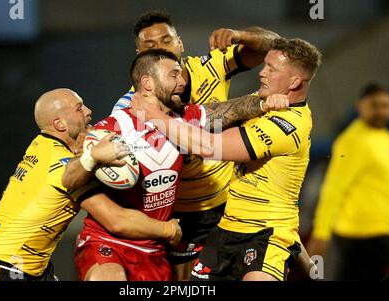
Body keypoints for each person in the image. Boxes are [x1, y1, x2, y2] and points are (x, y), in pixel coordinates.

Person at [73, 48, 289, 281]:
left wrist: (264, 102)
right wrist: (89, 157)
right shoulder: (114, 127)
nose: (183, 82)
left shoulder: (185, 119)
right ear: (147, 83)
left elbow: (230, 110)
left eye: (182, 75)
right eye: (174, 75)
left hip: (156, 248)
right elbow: (69, 177)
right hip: (108, 242)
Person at [131, 37, 322, 281]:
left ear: (294, 81)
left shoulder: (287, 125)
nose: (261, 73)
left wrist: (154, 115)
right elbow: (225, 113)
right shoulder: (270, 100)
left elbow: (209, 146)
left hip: (266, 234)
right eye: (264, 65)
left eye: (272, 69)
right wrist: (261, 103)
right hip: (227, 229)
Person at [113, 10, 280, 279]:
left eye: (166, 41)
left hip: (229, 202)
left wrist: (240, 35)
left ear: (180, 43)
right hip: (176, 214)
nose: (160, 50)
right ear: (138, 55)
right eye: (149, 46)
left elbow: (274, 47)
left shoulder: (211, 67)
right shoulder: (132, 107)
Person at [0, 88, 182, 281]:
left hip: (31, 269)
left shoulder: (42, 145)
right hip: (0, 270)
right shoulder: (65, 167)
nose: (88, 111)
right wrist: (168, 228)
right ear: (59, 124)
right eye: (79, 108)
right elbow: (117, 220)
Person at [307, 84, 389, 280]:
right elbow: (334, 188)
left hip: (381, 228)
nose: (380, 111)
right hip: (359, 231)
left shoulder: (386, 138)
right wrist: (321, 233)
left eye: (386, 106)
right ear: (360, 106)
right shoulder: (352, 141)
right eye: (375, 105)